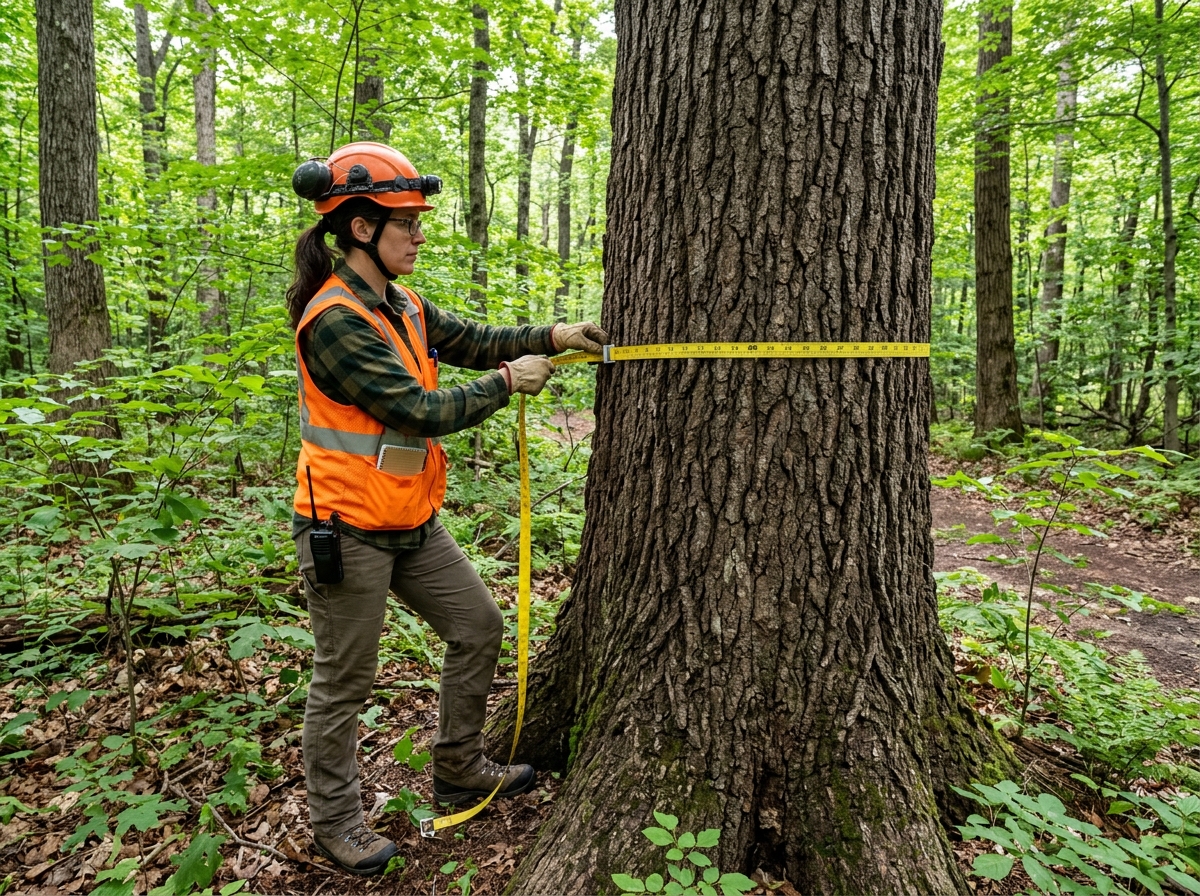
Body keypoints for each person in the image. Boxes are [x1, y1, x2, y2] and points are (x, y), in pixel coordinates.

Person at [285, 142, 607, 876]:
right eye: (408, 223)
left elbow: (473, 340)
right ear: (362, 228)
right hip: (345, 529)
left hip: (409, 521)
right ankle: (336, 824)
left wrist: (554, 337)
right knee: (345, 681)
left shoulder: (404, 303)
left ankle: (460, 766)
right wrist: (506, 383)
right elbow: (416, 409)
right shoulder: (333, 319)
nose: (419, 235)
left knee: (478, 627)